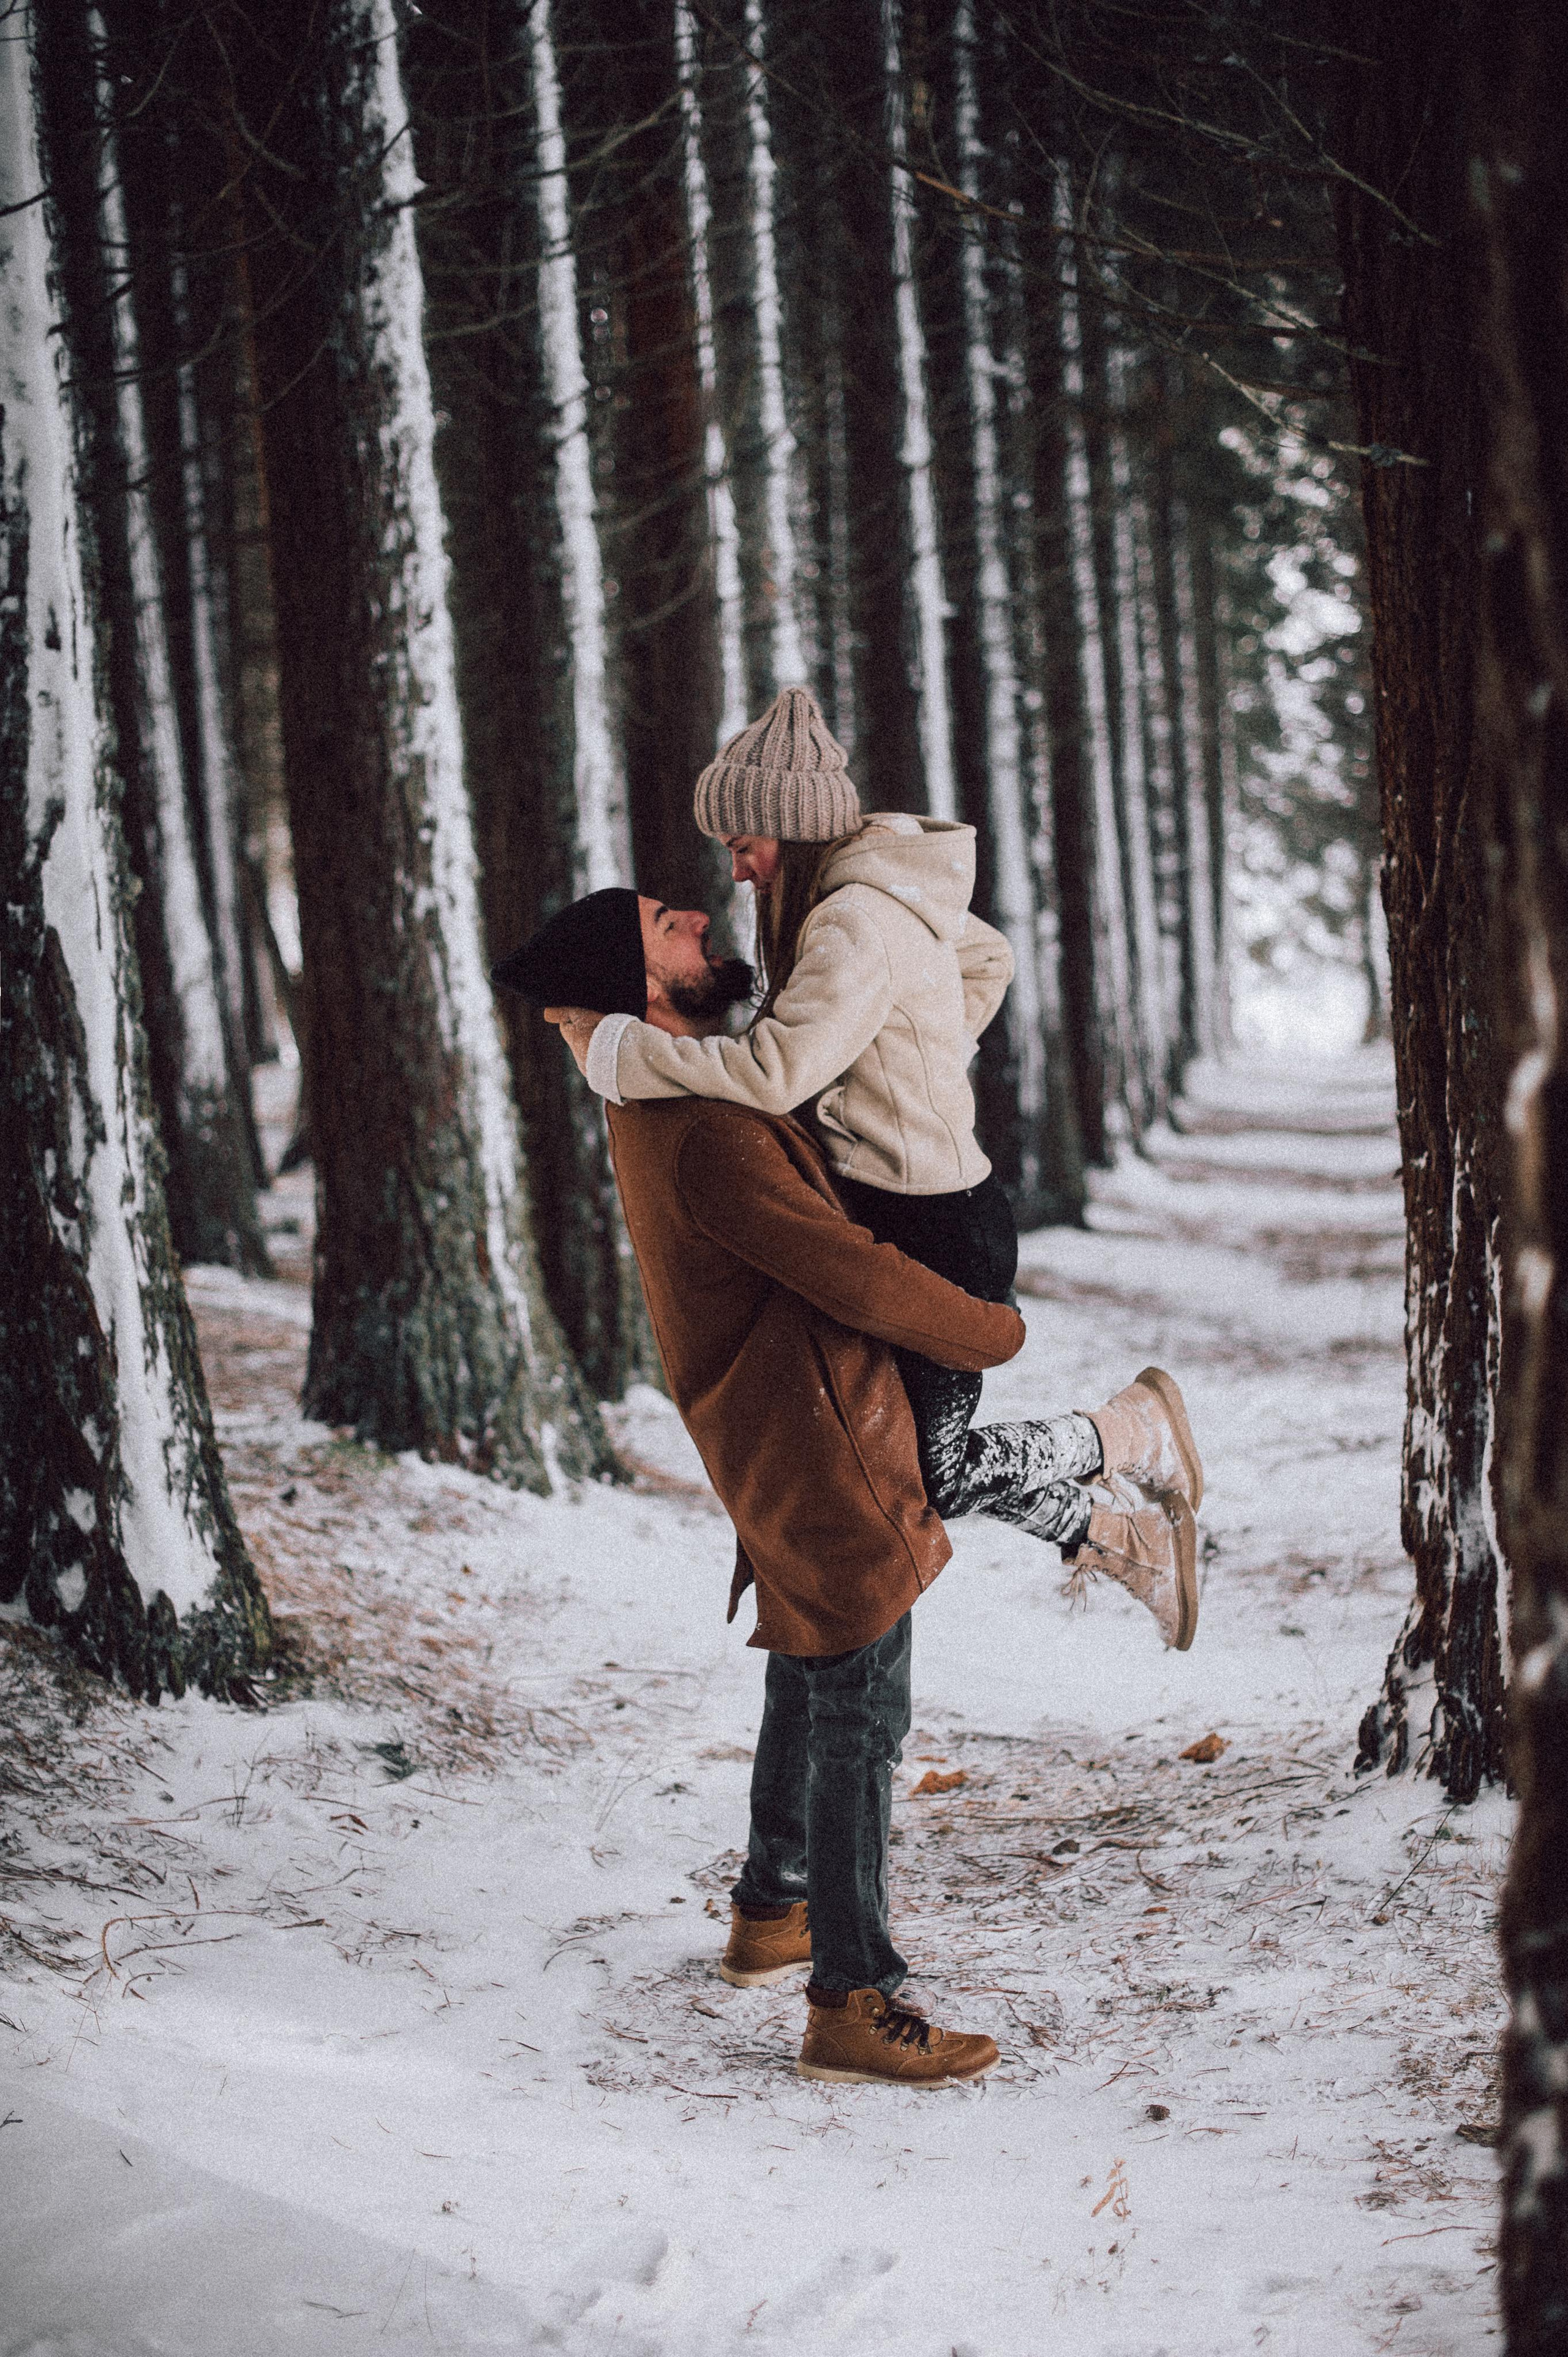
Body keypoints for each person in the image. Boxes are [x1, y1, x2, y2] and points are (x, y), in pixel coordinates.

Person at [492, 886, 1199, 2087]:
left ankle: (773, 1905)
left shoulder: (665, 1094)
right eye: (672, 927)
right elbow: (849, 1271)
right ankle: (850, 1996)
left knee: (811, 1661)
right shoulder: (700, 1128)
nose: (703, 934)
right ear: (639, 978)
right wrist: (985, 1331)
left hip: (779, 1417)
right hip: (815, 1428)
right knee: (860, 1700)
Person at [548, 689, 1204, 1641]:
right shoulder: (866, 902)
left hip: (941, 1223)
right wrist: (912, 1062)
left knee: (930, 1474)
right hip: (903, 1205)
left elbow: (771, 1073)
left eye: (745, 844)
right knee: (908, 1466)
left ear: (789, 829)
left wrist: (619, 1055)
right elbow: (986, 960)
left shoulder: (852, 919)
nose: (735, 871)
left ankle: (1128, 1434)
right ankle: (1115, 1538)